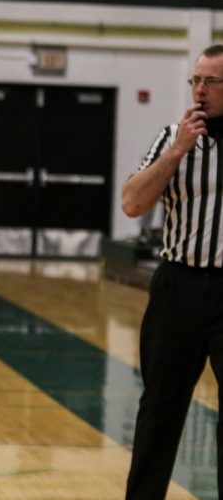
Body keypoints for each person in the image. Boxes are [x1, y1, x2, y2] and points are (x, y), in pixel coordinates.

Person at [122, 44, 223, 499]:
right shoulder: (171, 138)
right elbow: (132, 203)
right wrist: (178, 151)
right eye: (195, 81)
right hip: (178, 288)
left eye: (211, 82)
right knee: (160, 411)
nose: (200, 90)